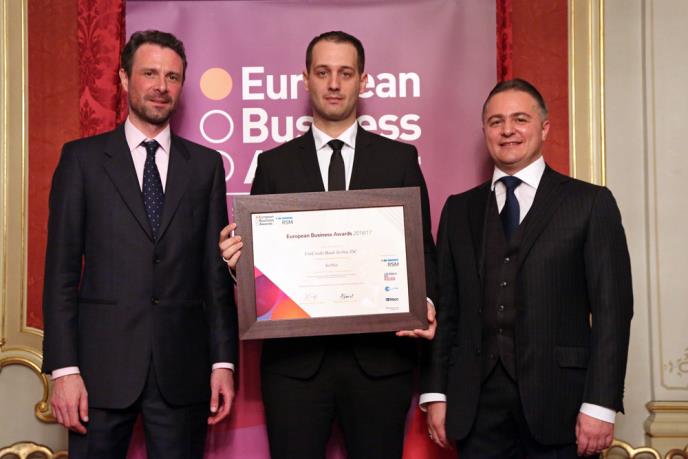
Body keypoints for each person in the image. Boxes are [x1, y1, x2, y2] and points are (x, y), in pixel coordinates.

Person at [219, 31, 437, 459]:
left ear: (363, 81)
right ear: (306, 79)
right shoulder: (274, 164)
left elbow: (422, 251)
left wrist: (423, 303)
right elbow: (260, 264)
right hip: (295, 368)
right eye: (323, 72)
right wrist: (236, 264)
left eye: (345, 73)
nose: (334, 84)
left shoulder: (398, 159)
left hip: (380, 363)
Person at [42, 30, 238, 458]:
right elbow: (60, 273)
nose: (161, 86)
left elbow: (215, 278)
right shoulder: (81, 160)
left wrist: (223, 362)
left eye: (172, 77)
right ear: (124, 78)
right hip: (97, 374)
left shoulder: (205, 166)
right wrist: (64, 369)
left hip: (182, 372)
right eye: (150, 73)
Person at [422, 78, 633, 459]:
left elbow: (612, 312)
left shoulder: (589, 203)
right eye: (496, 121)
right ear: (485, 131)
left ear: (544, 128)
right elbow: (448, 309)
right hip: (476, 408)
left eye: (520, 119)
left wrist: (600, 403)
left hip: (562, 404)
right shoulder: (459, 209)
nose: (508, 130)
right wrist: (437, 392)